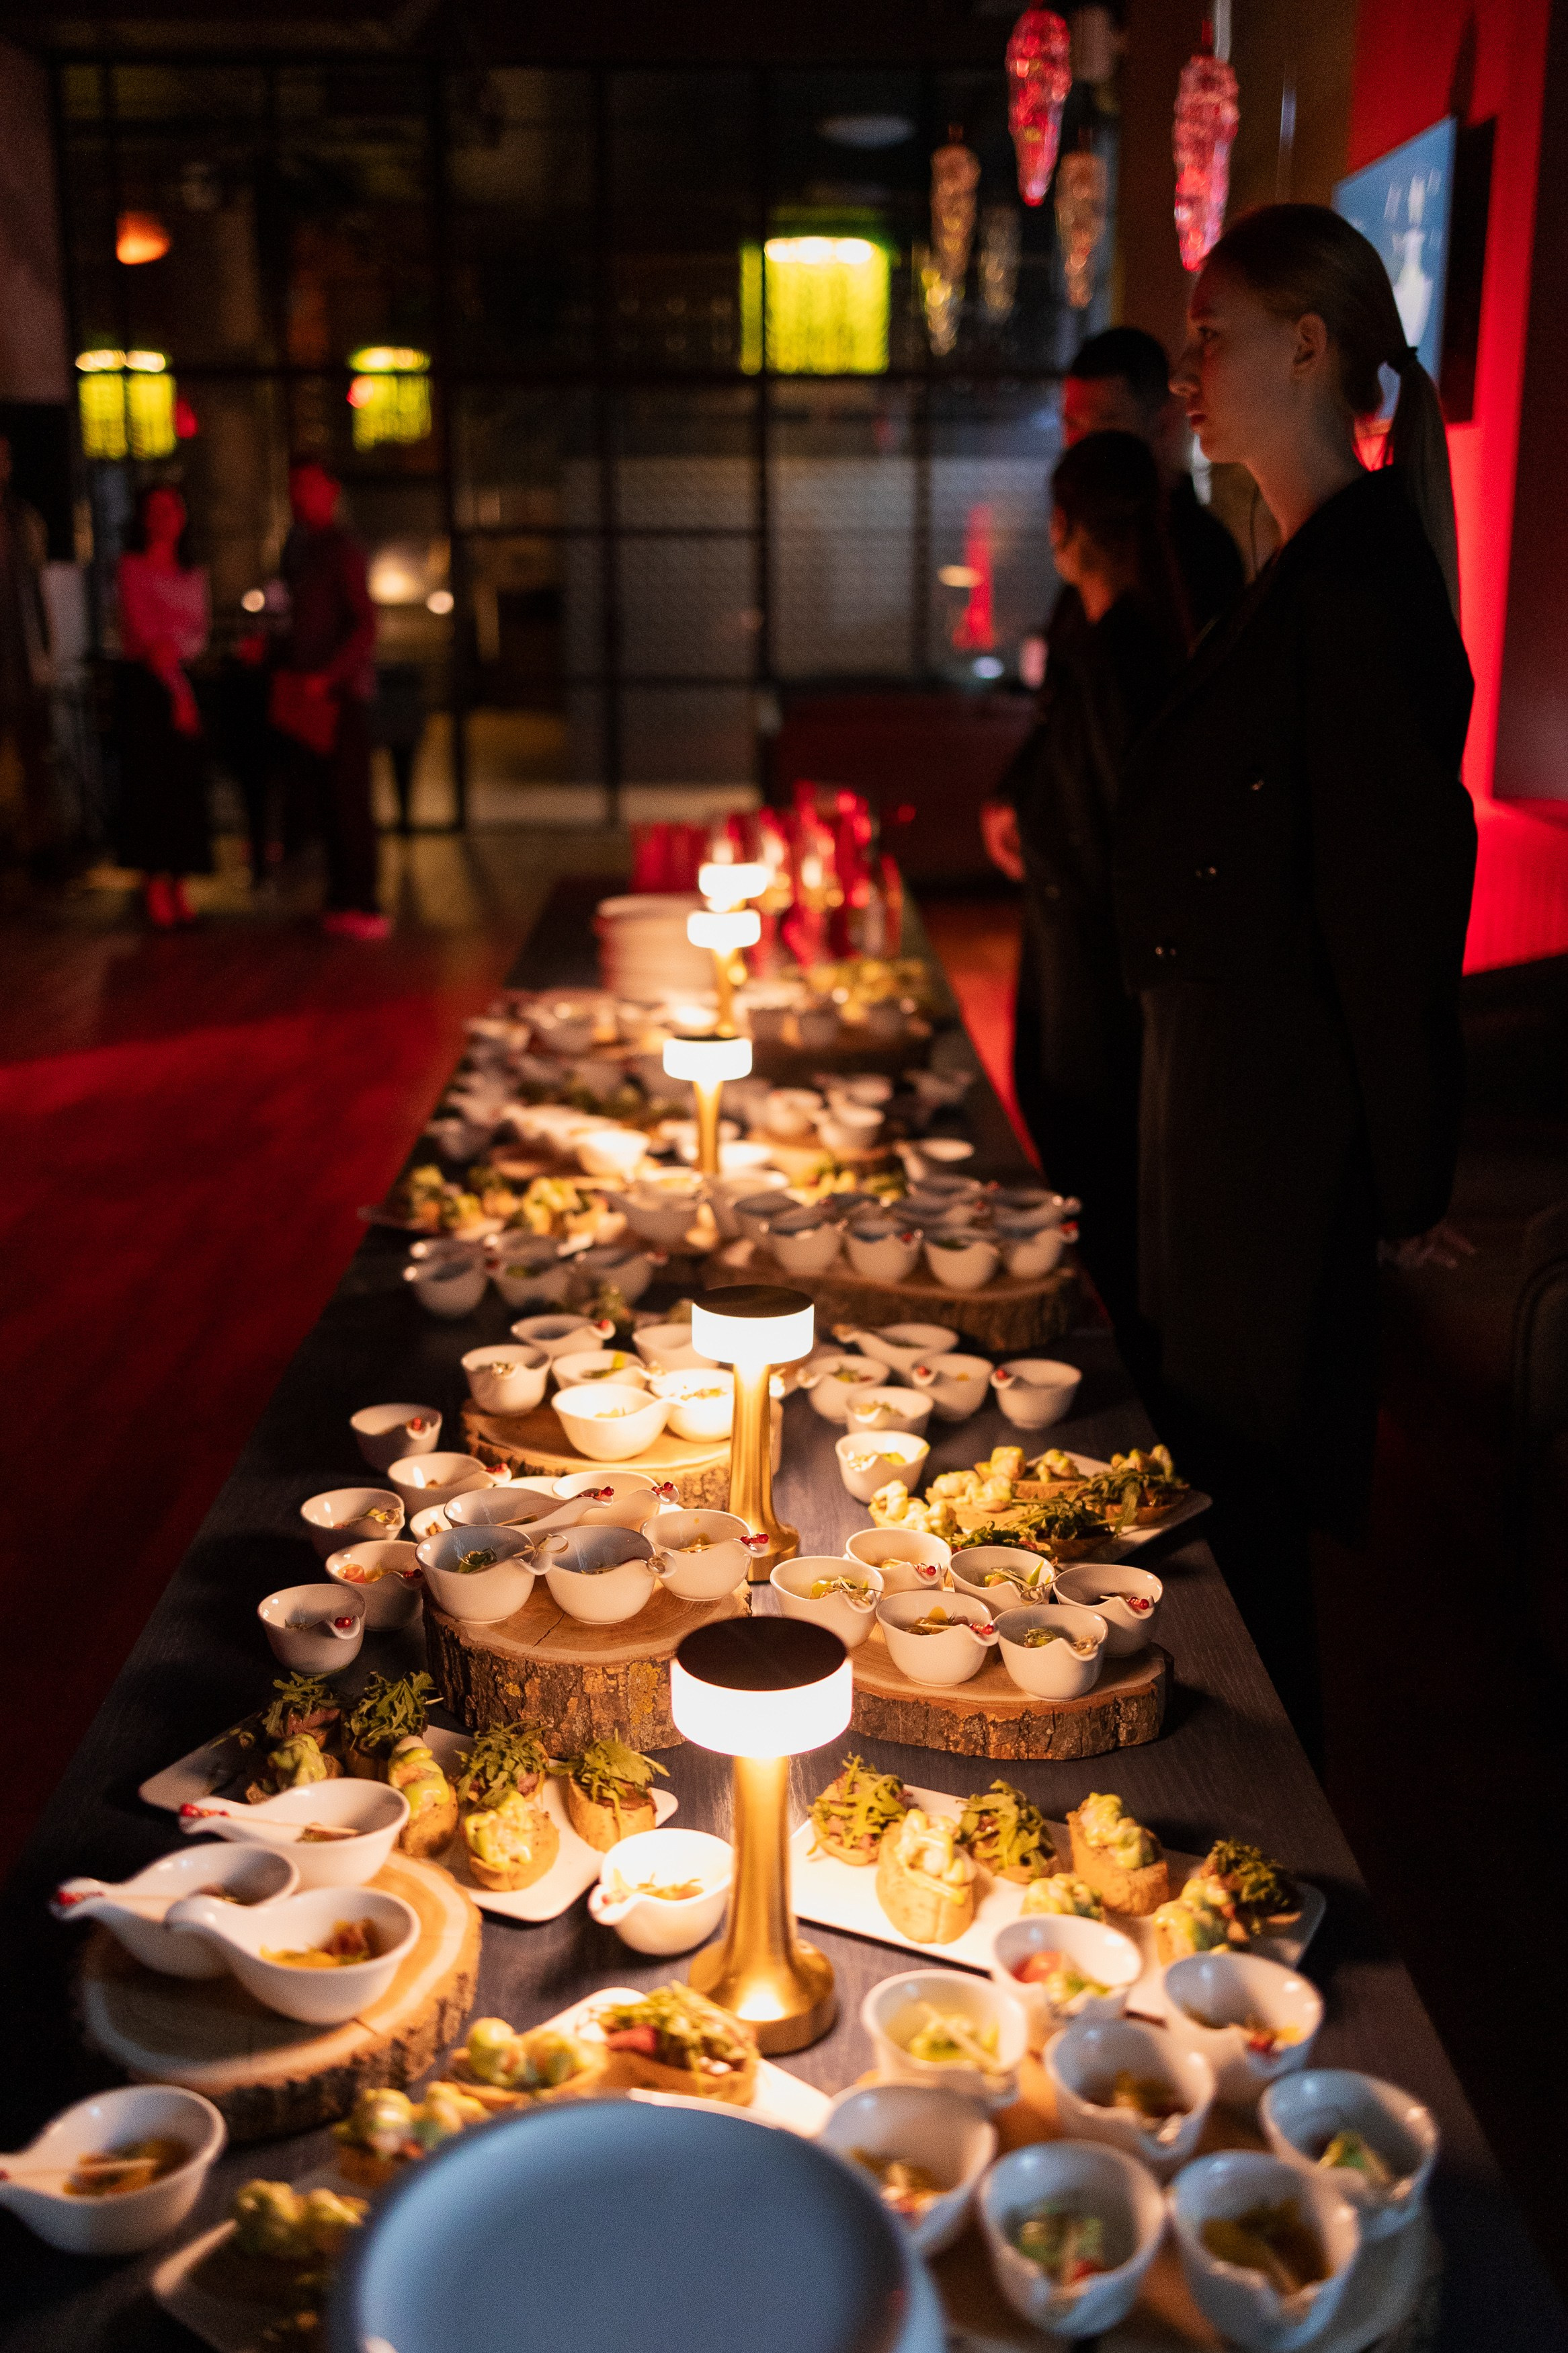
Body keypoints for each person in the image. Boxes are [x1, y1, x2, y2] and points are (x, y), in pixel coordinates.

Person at [1114, 204, 1477, 1761]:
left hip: (1272, 1142)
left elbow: (1392, 902)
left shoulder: (1357, 585)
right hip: (1222, 1117)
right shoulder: (1307, 564)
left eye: (1211, 341)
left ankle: (1265, 1879)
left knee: (1244, 1537)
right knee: (1218, 1515)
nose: (1187, 374)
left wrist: (1407, 1178)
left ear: (1309, 345)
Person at [987, 325, 1243, 1193]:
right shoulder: (1089, 573)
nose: (1075, 441)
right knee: (1052, 1096)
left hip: (1121, 917)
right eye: (1066, 425)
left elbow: (1151, 763)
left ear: (1159, 424)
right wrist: (1012, 794)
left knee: (1104, 1130)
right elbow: (1057, 711)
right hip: (1066, 892)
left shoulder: (1195, 561)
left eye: (1094, 422)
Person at [990, 433, 1190, 1355]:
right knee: (1083, 1154)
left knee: (1093, 1165)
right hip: (1081, 946)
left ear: (1066, 529)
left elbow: (1116, 821)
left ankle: (1104, 1360)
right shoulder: (1119, 640)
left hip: (1096, 963)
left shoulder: (1124, 654)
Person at [274, 458, 386, 939]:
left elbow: (366, 625)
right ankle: (340, 898)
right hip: (307, 692)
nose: (301, 496)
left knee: (348, 801)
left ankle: (362, 901)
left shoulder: (342, 549)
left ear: (331, 491)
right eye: (295, 487)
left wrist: (328, 675)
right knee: (323, 802)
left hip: (337, 694)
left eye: (309, 487)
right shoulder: (298, 547)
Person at [114, 484, 212, 928]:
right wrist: (173, 680)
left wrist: (179, 652)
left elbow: (198, 630)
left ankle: (180, 884)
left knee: (183, 789)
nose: (164, 517)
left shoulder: (192, 572)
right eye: (155, 509)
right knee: (152, 786)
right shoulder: (132, 568)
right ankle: (154, 884)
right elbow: (141, 630)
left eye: (171, 508)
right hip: (149, 691)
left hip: (183, 680)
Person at [0, 434, 54, 877]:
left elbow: (35, 593)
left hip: (20, 654)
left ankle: (34, 845)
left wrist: (45, 651)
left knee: (33, 754)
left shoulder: (22, 520)